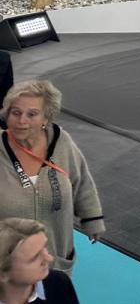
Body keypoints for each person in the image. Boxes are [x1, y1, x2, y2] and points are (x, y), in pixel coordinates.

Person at [0, 81, 104, 273]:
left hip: (55, 258)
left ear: (46, 118)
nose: (22, 120)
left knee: (55, 289)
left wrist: (92, 218)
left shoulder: (61, 142)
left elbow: (81, 181)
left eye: (32, 114)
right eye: (16, 113)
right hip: (7, 265)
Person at [0, 218, 78, 304]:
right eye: (35, 257)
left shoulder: (58, 282)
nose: (50, 258)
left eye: (45, 248)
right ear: (2, 274)